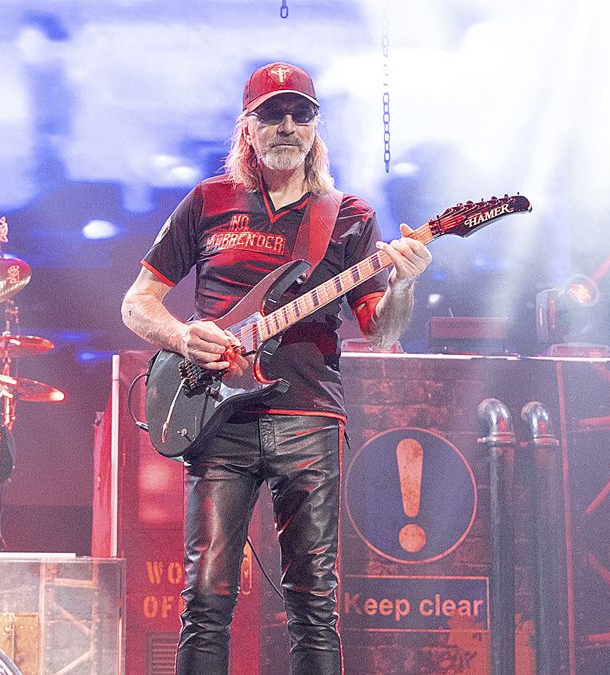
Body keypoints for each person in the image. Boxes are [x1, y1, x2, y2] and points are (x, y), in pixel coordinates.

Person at [121, 61, 431, 673]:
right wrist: (185, 338)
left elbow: (382, 329)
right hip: (217, 421)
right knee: (206, 600)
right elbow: (136, 303)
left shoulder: (347, 215)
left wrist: (404, 285)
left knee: (314, 605)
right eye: (273, 114)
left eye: (301, 114)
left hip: (309, 419)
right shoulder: (209, 201)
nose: (288, 125)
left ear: (316, 127)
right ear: (249, 128)